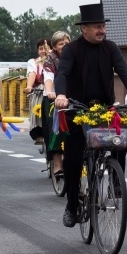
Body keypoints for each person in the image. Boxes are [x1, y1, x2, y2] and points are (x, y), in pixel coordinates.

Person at [54, 3, 127, 228]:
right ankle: (72, 205)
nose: (102, 30)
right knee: (74, 158)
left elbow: (123, 72)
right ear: (84, 28)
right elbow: (62, 73)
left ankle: (116, 181)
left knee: (120, 139)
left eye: (103, 26)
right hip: (77, 109)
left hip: (104, 108)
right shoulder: (71, 50)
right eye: (97, 27)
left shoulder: (111, 48)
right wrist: (61, 95)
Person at [42, 31, 70, 176]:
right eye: (61, 44)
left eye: (66, 43)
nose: (65, 46)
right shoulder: (50, 59)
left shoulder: (74, 55)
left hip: (71, 97)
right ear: (54, 46)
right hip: (54, 98)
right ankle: (57, 165)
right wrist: (50, 91)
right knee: (56, 128)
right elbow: (48, 76)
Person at [25, 38, 51, 145]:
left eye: (46, 48)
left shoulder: (55, 60)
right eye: (41, 49)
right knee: (37, 106)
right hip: (39, 90)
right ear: (38, 51)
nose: (44, 51)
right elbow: (32, 73)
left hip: (53, 91)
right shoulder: (33, 62)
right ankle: (38, 133)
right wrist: (29, 86)